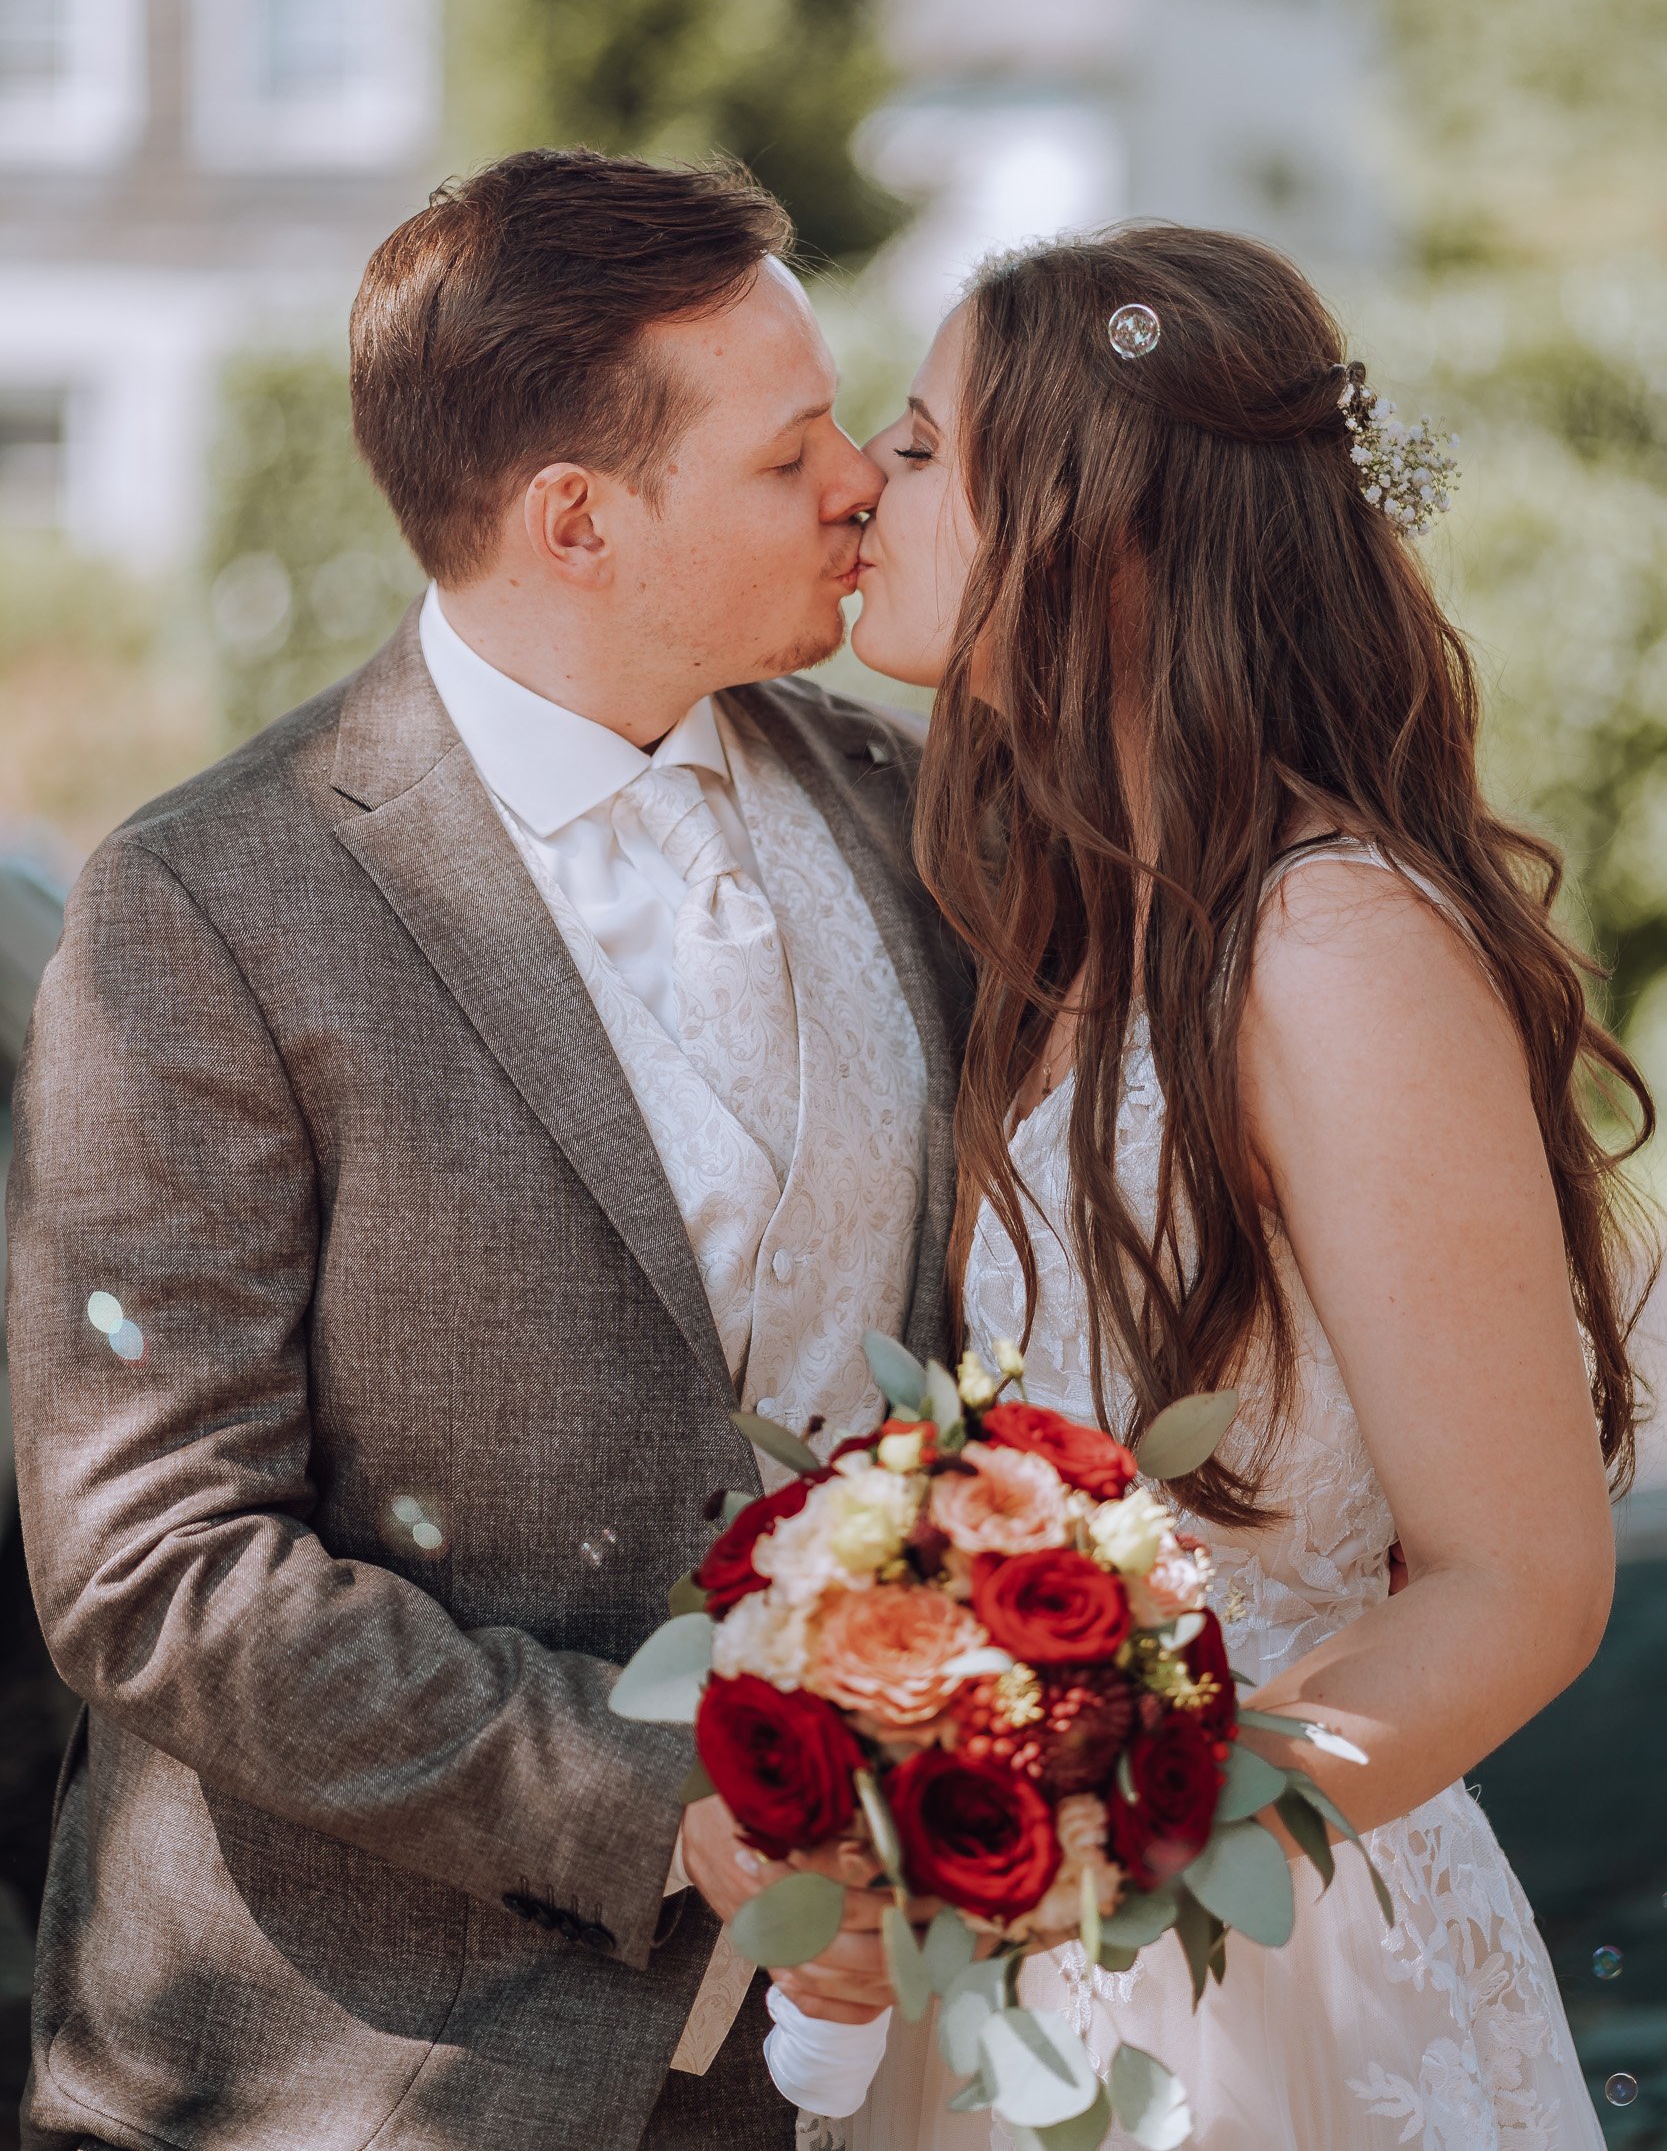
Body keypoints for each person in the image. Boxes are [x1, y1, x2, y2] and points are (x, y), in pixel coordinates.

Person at [5, 148, 969, 2151]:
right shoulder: (210, 905)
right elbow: (154, 1559)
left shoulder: (910, 808)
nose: (860, 483)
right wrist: (669, 1804)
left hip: (859, 2055)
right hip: (368, 2079)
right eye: (788, 454)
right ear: (576, 520)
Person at [844, 223, 1649, 2149]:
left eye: (923, 445)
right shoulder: (1078, 931)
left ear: (1105, 528)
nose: (862, 484)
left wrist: (1119, 1848)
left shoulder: (1334, 944)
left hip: (1263, 1960)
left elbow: (1524, 1582)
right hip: (1017, 1953)